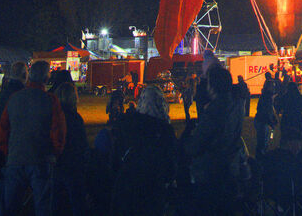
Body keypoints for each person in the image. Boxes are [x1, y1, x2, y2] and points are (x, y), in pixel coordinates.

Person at [0, 59, 66, 216]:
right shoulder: (50, 100)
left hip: (15, 159)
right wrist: (55, 153)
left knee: (11, 207)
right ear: (46, 78)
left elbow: (3, 129)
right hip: (40, 159)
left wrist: (9, 151)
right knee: (42, 206)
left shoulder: (14, 98)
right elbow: (58, 131)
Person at [185, 65, 247, 209]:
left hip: (212, 173)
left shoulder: (215, 109)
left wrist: (186, 145)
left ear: (213, 86)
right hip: (231, 169)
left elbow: (197, 144)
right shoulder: (236, 106)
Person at [110, 84, 177, 216]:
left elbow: (115, 160)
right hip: (152, 192)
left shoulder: (127, 125)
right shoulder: (164, 131)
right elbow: (171, 167)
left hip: (125, 189)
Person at [53, 80, 88, 216]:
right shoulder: (75, 118)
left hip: (56, 162)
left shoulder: (53, 116)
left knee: (54, 202)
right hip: (73, 164)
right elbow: (82, 143)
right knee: (77, 202)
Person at [254, 77, 276, 158]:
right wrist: (271, 121)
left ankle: (262, 156)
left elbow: (270, 110)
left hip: (263, 121)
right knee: (262, 141)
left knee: (265, 140)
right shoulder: (266, 97)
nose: (274, 87)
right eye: (272, 86)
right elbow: (265, 111)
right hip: (262, 121)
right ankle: (260, 157)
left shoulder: (268, 96)